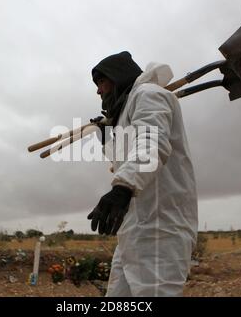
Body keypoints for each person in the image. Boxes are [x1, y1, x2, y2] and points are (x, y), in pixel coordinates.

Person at [87, 51, 198, 297]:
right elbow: (126, 160)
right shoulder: (128, 112)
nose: (98, 91)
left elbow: (152, 144)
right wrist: (107, 138)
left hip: (160, 230)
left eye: (101, 82)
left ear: (117, 78)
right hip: (134, 231)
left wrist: (122, 187)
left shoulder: (149, 95)